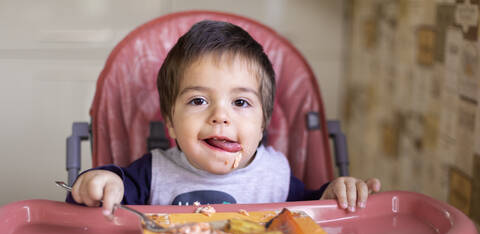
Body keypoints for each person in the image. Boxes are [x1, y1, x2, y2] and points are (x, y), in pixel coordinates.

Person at [68, 20, 381, 218]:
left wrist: (334, 194)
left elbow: (315, 212)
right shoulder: (153, 173)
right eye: (198, 100)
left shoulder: (276, 177)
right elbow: (110, 194)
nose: (220, 116)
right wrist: (99, 182)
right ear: (171, 122)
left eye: (241, 102)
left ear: (263, 125)